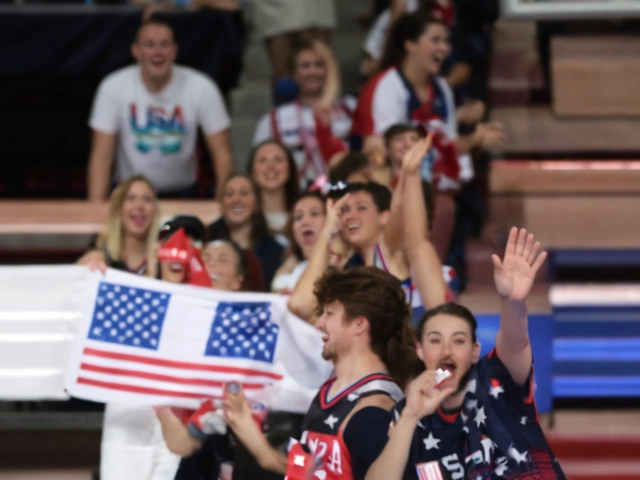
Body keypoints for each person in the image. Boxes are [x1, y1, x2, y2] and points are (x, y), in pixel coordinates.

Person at [366, 227, 567, 479]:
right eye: (435, 340)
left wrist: (513, 303)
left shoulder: (494, 380)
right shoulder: (407, 411)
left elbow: (515, 343)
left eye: (458, 341)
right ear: (419, 350)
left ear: (475, 352)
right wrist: (409, 417)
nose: (447, 350)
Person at [220, 266, 417, 480]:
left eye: (329, 313)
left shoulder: (375, 408)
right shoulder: (329, 391)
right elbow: (301, 469)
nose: (319, 323)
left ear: (359, 324)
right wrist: (246, 427)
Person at [288, 137, 448, 323]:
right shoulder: (345, 274)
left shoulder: (389, 253)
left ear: (384, 216)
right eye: (344, 211)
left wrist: (408, 174)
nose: (350, 216)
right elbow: (300, 305)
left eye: (361, 207)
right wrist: (326, 231)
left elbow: (406, 222)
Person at [350, 12, 504, 190]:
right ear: (410, 45)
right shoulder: (386, 87)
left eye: (446, 41)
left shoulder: (441, 87)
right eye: (435, 40)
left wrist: (474, 139)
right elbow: (378, 154)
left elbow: (447, 147)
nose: (444, 48)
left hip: (430, 187)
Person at [87, 18, 233, 201]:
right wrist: (94, 214)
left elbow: (222, 154)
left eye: (165, 45)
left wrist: (221, 213)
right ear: (136, 51)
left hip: (183, 195)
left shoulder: (202, 86)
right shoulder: (113, 87)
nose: (158, 52)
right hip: (128, 197)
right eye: (149, 45)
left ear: (174, 51)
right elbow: (102, 157)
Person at [253, 40, 356, 185]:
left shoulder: (350, 108)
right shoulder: (274, 119)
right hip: (298, 196)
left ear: (329, 70)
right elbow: (258, 167)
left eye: (319, 65)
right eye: (305, 66)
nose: (313, 72)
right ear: (293, 73)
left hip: (344, 190)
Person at [207, 174, 285, 292]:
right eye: (229, 194)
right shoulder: (205, 241)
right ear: (221, 204)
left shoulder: (275, 251)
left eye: (244, 193)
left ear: (257, 203)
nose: (236, 199)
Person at [251, 0, 336, 104]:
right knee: (284, 76)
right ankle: (285, 115)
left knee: (319, 65)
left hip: (316, 10)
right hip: (276, 12)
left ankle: (322, 112)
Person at [78, 175, 159, 278]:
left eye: (147, 199)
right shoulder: (99, 255)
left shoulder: (164, 258)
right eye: (131, 198)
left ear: (155, 211)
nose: (139, 206)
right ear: (118, 208)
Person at [272, 191, 328, 294]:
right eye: (298, 217)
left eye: (314, 213)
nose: (305, 222)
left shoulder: (344, 267)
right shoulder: (291, 272)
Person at [247, 140, 300, 244]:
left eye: (278, 160)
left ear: (290, 168)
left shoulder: (306, 216)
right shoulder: (243, 219)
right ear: (252, 171)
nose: (270, 166)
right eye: (262, 161)